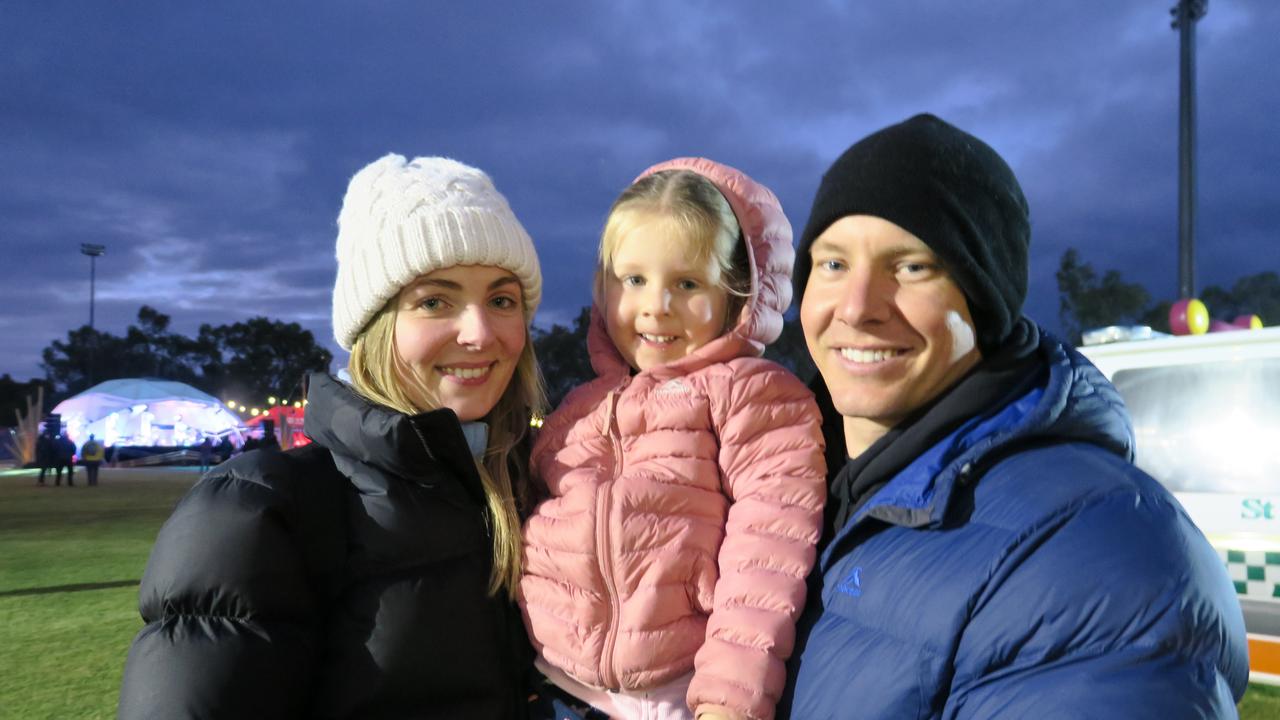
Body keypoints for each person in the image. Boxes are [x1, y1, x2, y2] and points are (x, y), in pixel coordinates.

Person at [777, 114, 1249, 717]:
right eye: (834, 264)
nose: (858, 306)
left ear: (987, 299)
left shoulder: (1099, 554)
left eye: (913, 266)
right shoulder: (772, 486)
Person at [119, 154, 546, 719]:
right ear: (373, 325)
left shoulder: (537, 488)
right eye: (435, 301)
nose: (480, 332)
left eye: (501, 300)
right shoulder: (262, 508)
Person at [520, 158, 826, 720]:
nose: (656, 305)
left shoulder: (752, 396)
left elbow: (768, 553)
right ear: (604, 287)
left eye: (686, 283)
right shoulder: (578, 410)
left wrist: (729, 701)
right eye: (634, 280)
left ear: (738, 295)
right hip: (555, 689)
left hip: (678, 696)